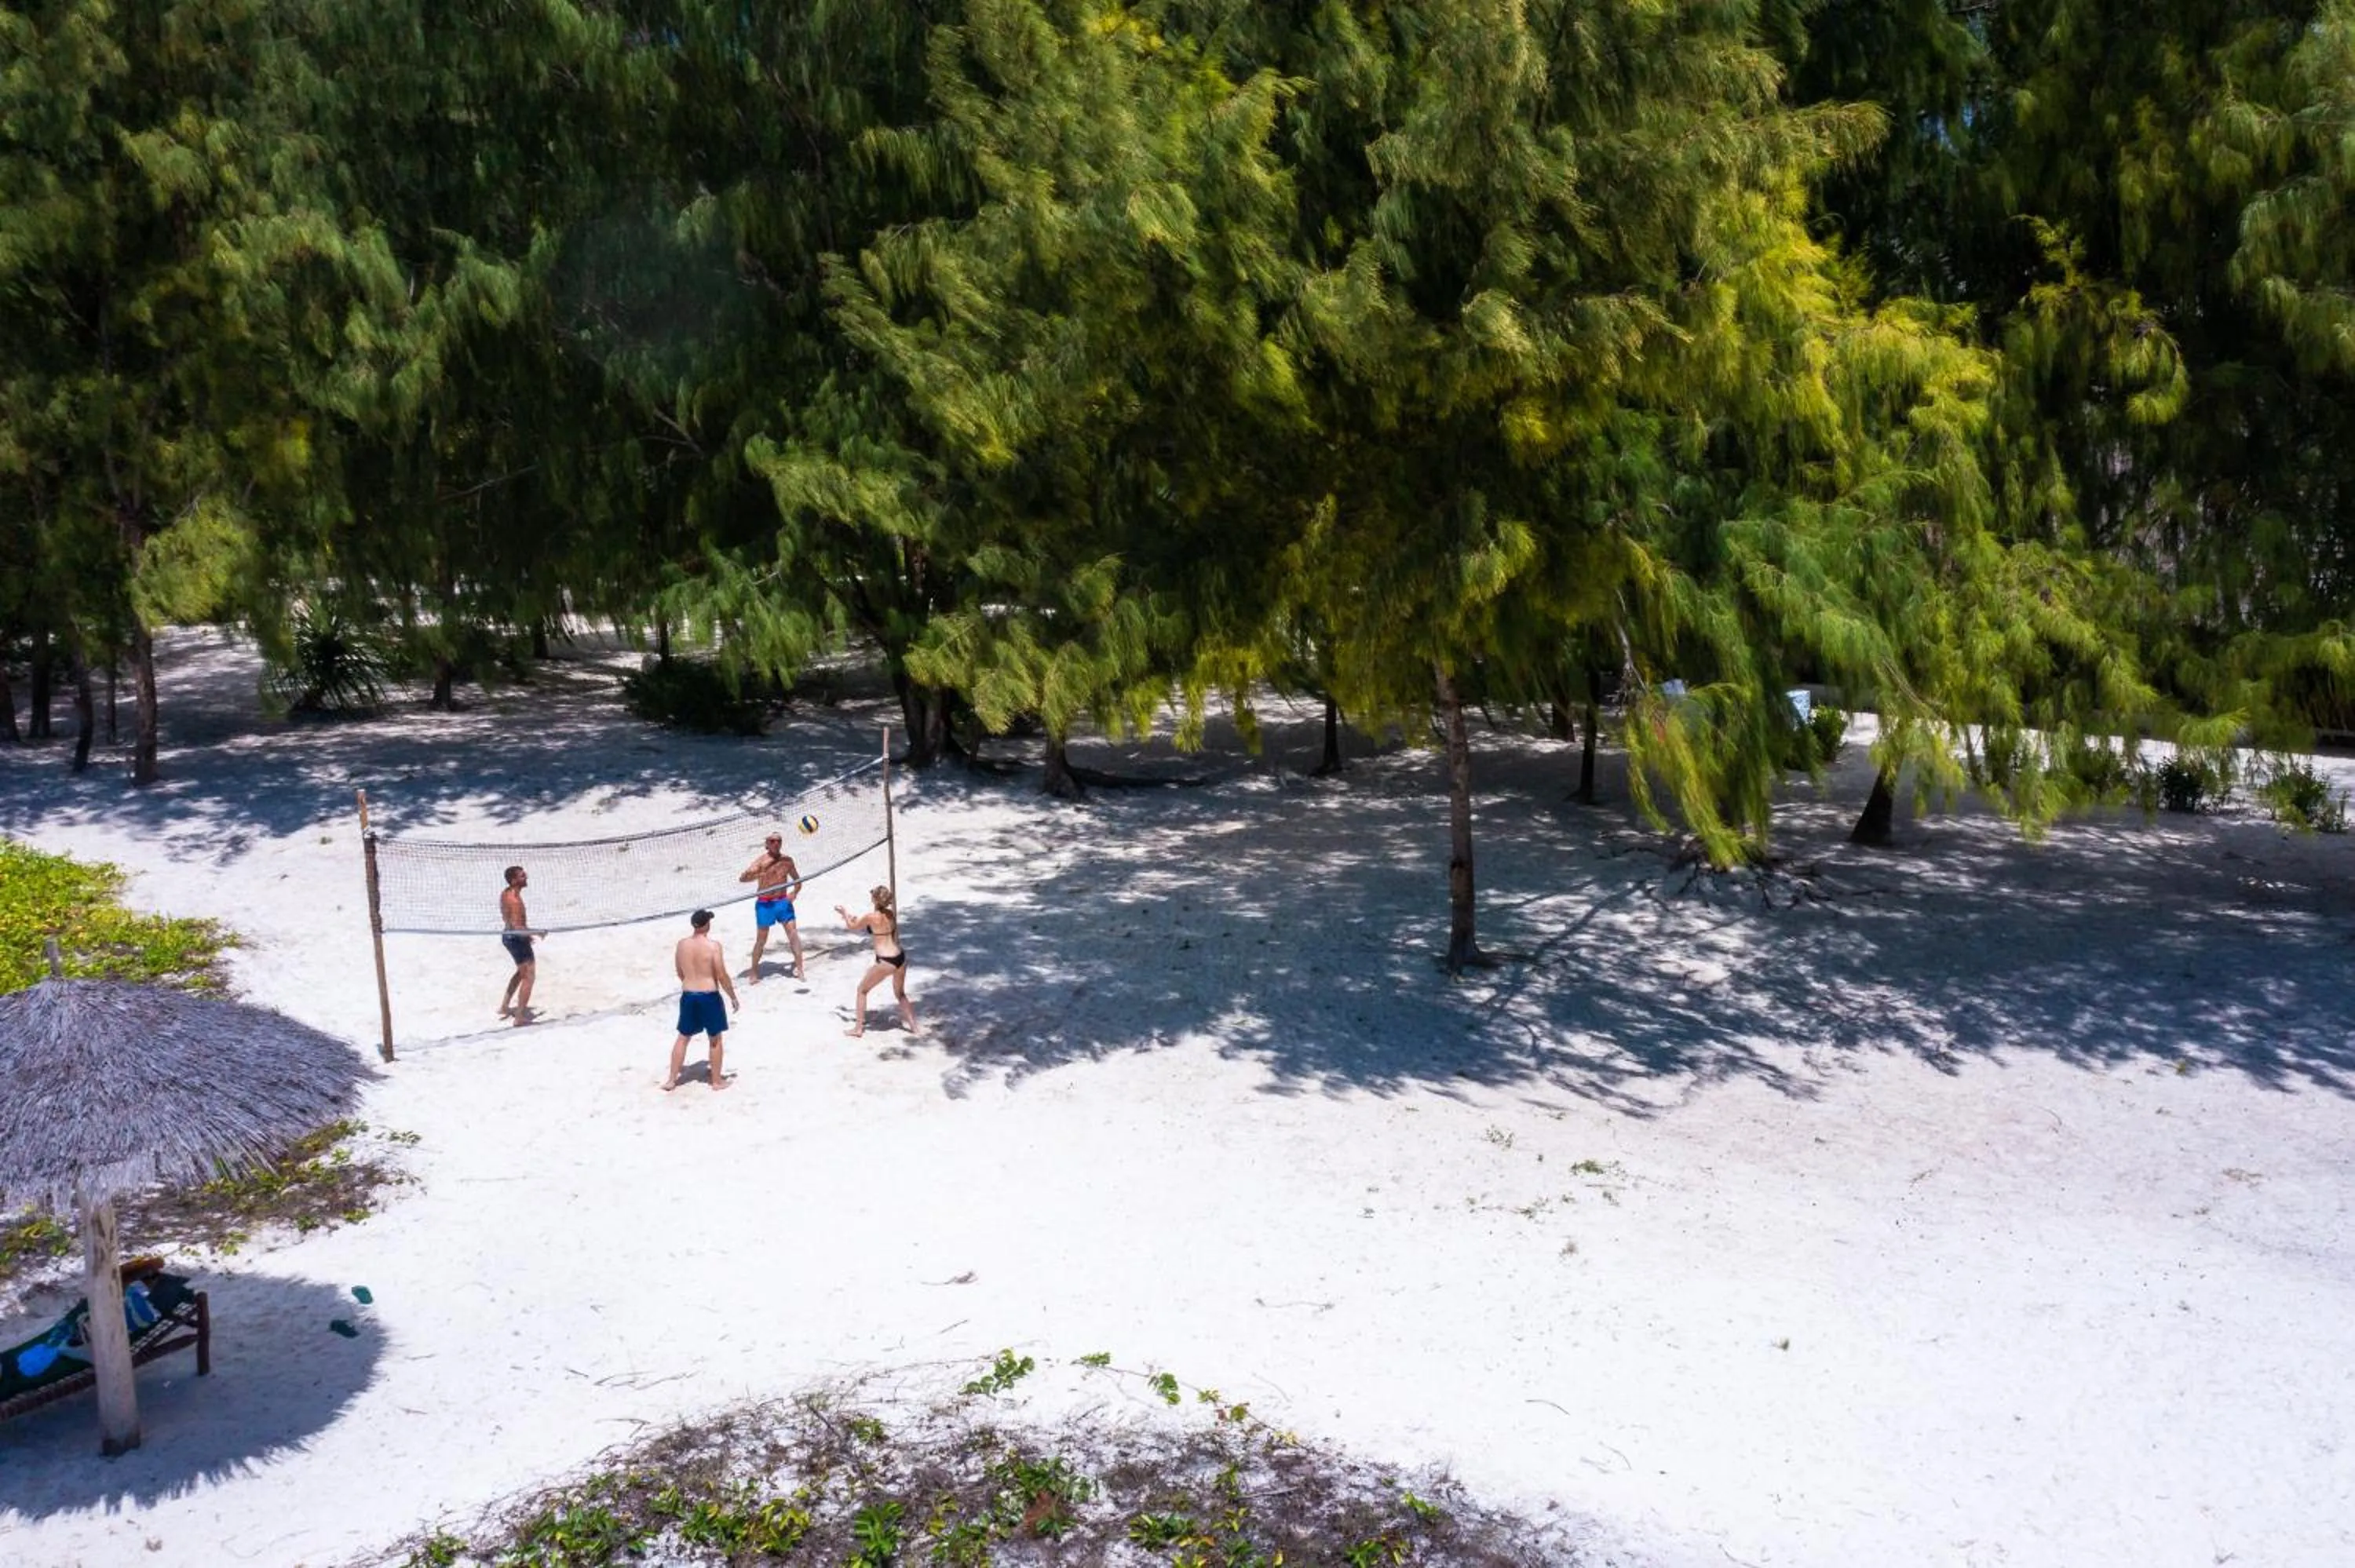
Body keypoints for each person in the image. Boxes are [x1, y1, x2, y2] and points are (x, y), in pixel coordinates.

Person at [664, 909, 739, 1091]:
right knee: (715, 1039)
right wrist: (733, 996)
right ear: (707, 924)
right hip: (709, 996)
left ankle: (671, 1080)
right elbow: (721, 975)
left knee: (683, 1037)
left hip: (689, 994)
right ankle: (716, 1081)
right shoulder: (713, 946)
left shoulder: (682, 945)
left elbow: (679, 971)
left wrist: (690, 982)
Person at [836, 884, 917, 1037]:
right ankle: (915, 1028)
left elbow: (852, 926)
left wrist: (845, 913)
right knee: (900, 994)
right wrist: (855, 919)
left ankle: (858, 1028)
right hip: (900, 956)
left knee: (862, 990)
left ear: (874, 899)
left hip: (886, 960)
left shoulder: (871, 917)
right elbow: (877, 929)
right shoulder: (891, 914)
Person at [737, 833, 804, 983]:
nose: (776, 843)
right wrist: (756, 874)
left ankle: (800, 969)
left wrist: (795, 892)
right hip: (765, 904)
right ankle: (754, 972)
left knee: (793, 934)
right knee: (761, 940)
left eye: (779, 841)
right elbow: (742, 879)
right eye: (772, 841)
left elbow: (798, 880)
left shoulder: (787, 861)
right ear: (767, 844)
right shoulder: (760, 862)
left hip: (782, 902)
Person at [498, 865, 542, 1023]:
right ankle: (520, 1016)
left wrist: (525, 934)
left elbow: (509, 920)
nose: (526, 877)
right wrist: (536, 932)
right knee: (529, 976)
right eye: (522, 876)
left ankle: (504, 1006)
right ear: (514, 880)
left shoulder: (506, 893)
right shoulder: (515, 900)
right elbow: (518, 927)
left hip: (509, 936)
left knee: (521, 972)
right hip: (516, 938)